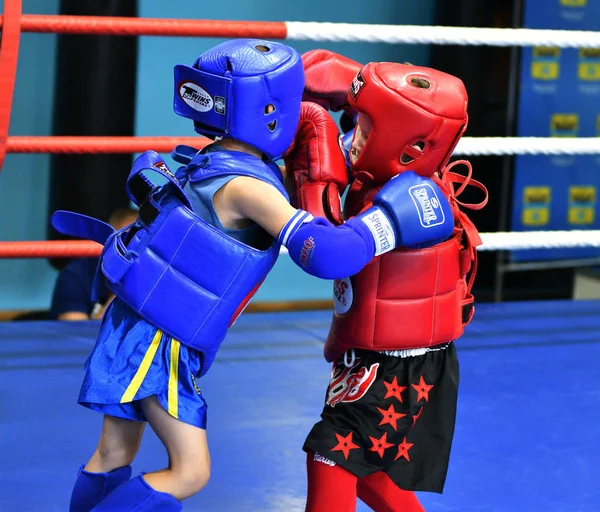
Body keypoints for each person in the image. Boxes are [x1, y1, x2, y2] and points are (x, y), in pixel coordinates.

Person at [51, 39, 457, 511]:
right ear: (270, 110)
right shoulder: (249, 189)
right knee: (190, 471)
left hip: (130, 323)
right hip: (157, 341)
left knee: (113, 452)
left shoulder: (219, 158)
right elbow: (325, 255)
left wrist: (331, 147)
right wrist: (385, 221)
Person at [294, 50, 489, 511]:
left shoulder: (416, 201)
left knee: (332, 456)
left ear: (409, 144)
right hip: (377, 354)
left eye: (365, 127)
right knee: (370, 473)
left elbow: (329, 256)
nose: (352, 137)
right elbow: (326, 83)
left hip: (402, 366)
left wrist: (300, 195)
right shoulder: (383, 171)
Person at [50, 207, 138, 321]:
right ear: (108, 241)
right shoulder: (77, 273)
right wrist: (123, 293)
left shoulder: (156, 279)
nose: (130, 251)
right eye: (123, 241)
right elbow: (75, 332)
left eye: (137, 244)